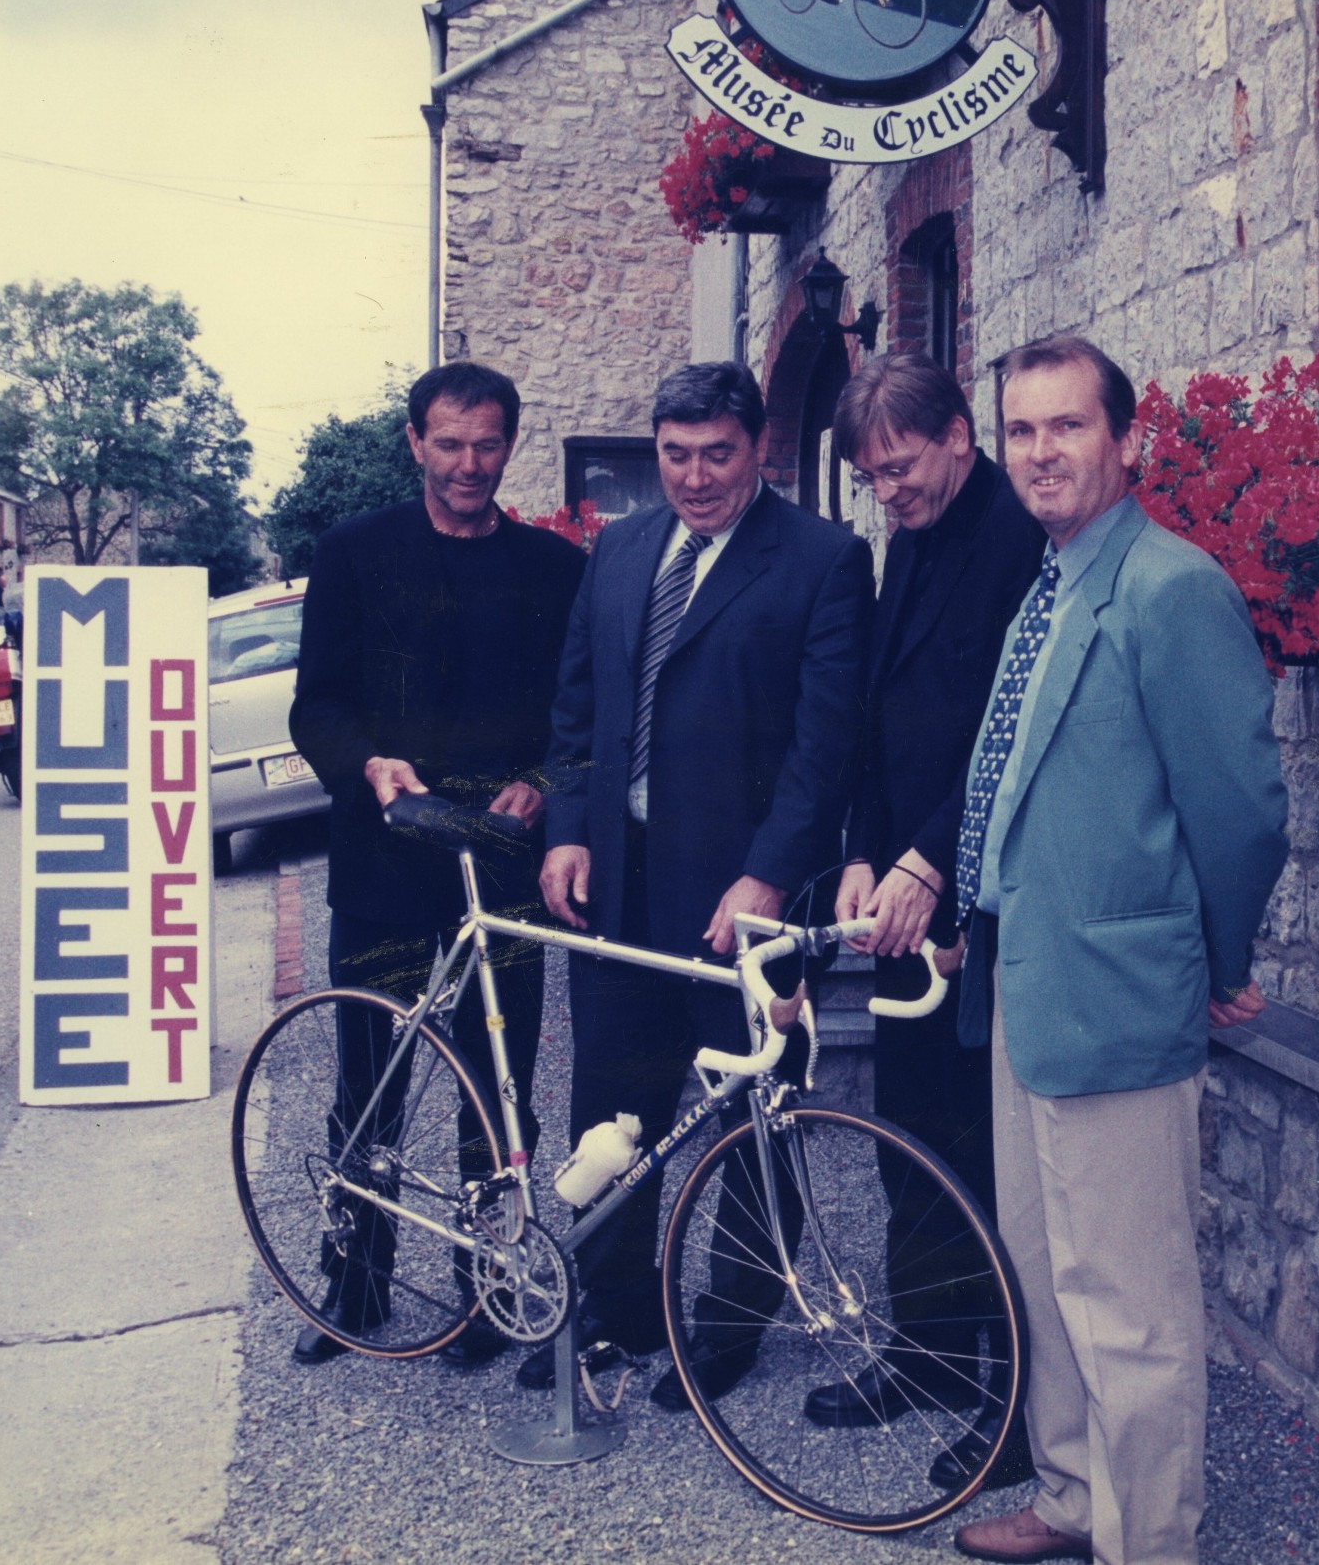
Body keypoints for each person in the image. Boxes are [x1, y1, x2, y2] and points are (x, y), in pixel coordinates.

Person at [950, 336, 1287, 1565]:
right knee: (1046, 1272)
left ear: (1127, 439)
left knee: (1130, 1309)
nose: (1040, 451)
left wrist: (1218, 961)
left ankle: (1148, 1542)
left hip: (1120, 996)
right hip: (1028, 980)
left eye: (1068, 425)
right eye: (1021, 429)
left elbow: (1240, 809)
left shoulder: (1169, 586)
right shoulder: (1049, 583)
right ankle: (1073, 1494)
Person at [534, 359, 873, 1409]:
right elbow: (577, 709)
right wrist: (569, 831)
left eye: (716, 454)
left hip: (744, 901)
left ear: (758, 447)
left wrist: (768, 873)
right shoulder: (621, 547)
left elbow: (826, 747)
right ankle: (618, 1306)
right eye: (674, 455)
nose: (693, 476)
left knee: (754, 1116)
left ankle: (730, 1323)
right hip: (619, 888)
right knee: (611, 1104)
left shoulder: (823, 559)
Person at [285, 360, 586, 1369]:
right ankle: (355, 1283)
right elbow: (317, 704)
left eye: (486, 443)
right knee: (368, 1082)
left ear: (510, 445)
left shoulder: (553, 568)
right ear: (415, 440)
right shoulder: (353, 553)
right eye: (448, 442)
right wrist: (366, 764)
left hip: (497, 869)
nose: (468, 463)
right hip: (384, 864)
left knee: (497, 1089)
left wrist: (541, 782)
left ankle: (485, 1285)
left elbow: (577, 714)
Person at [815, 351, 1044, 1483]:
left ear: (959, 433)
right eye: (870, 478)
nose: (887, 493)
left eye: (899, 468)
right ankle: (930, 1352)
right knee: (909, 1135)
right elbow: (876, 716)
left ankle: (1017, 1415)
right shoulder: (907, 539)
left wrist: (931, 864)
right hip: (901, 894)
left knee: (991, 1162)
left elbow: (1014, 735)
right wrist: (863, 850)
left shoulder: (1023, 538)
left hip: (984, 900)